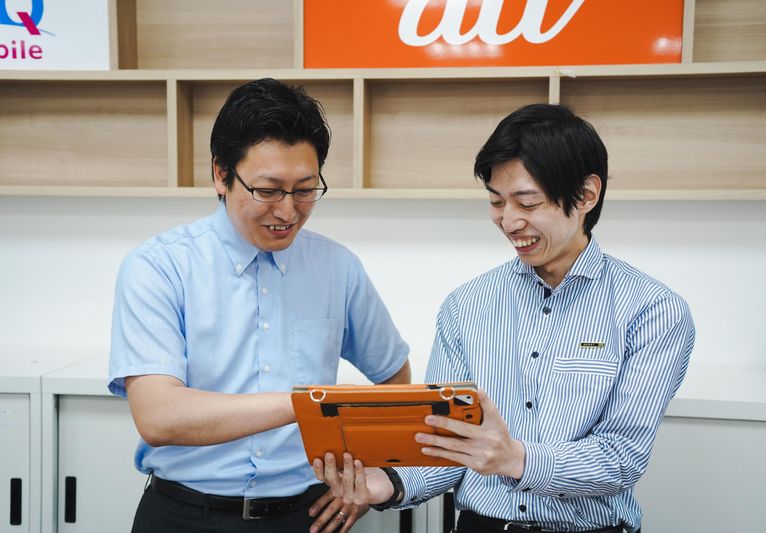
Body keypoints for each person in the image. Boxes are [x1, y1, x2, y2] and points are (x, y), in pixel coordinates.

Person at [317, 104, 695, 533]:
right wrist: (389, 482)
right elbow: (446, 445)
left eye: (527, 202)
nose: (509, 221)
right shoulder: (466, 305)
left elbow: (621, 458)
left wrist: (516, 459)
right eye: (497, 202)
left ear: (587, 195)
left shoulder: (653, 311)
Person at [108, 78, 411, 533]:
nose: (288, 212)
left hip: (305, 516)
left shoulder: (338, 267)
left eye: (305, 189)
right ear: (221, 174)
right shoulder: (160, 266)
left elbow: (393, 376)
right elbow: (158, 416)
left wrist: (371, 473)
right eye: (268, 190)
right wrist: (308, 405)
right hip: (184, 515)